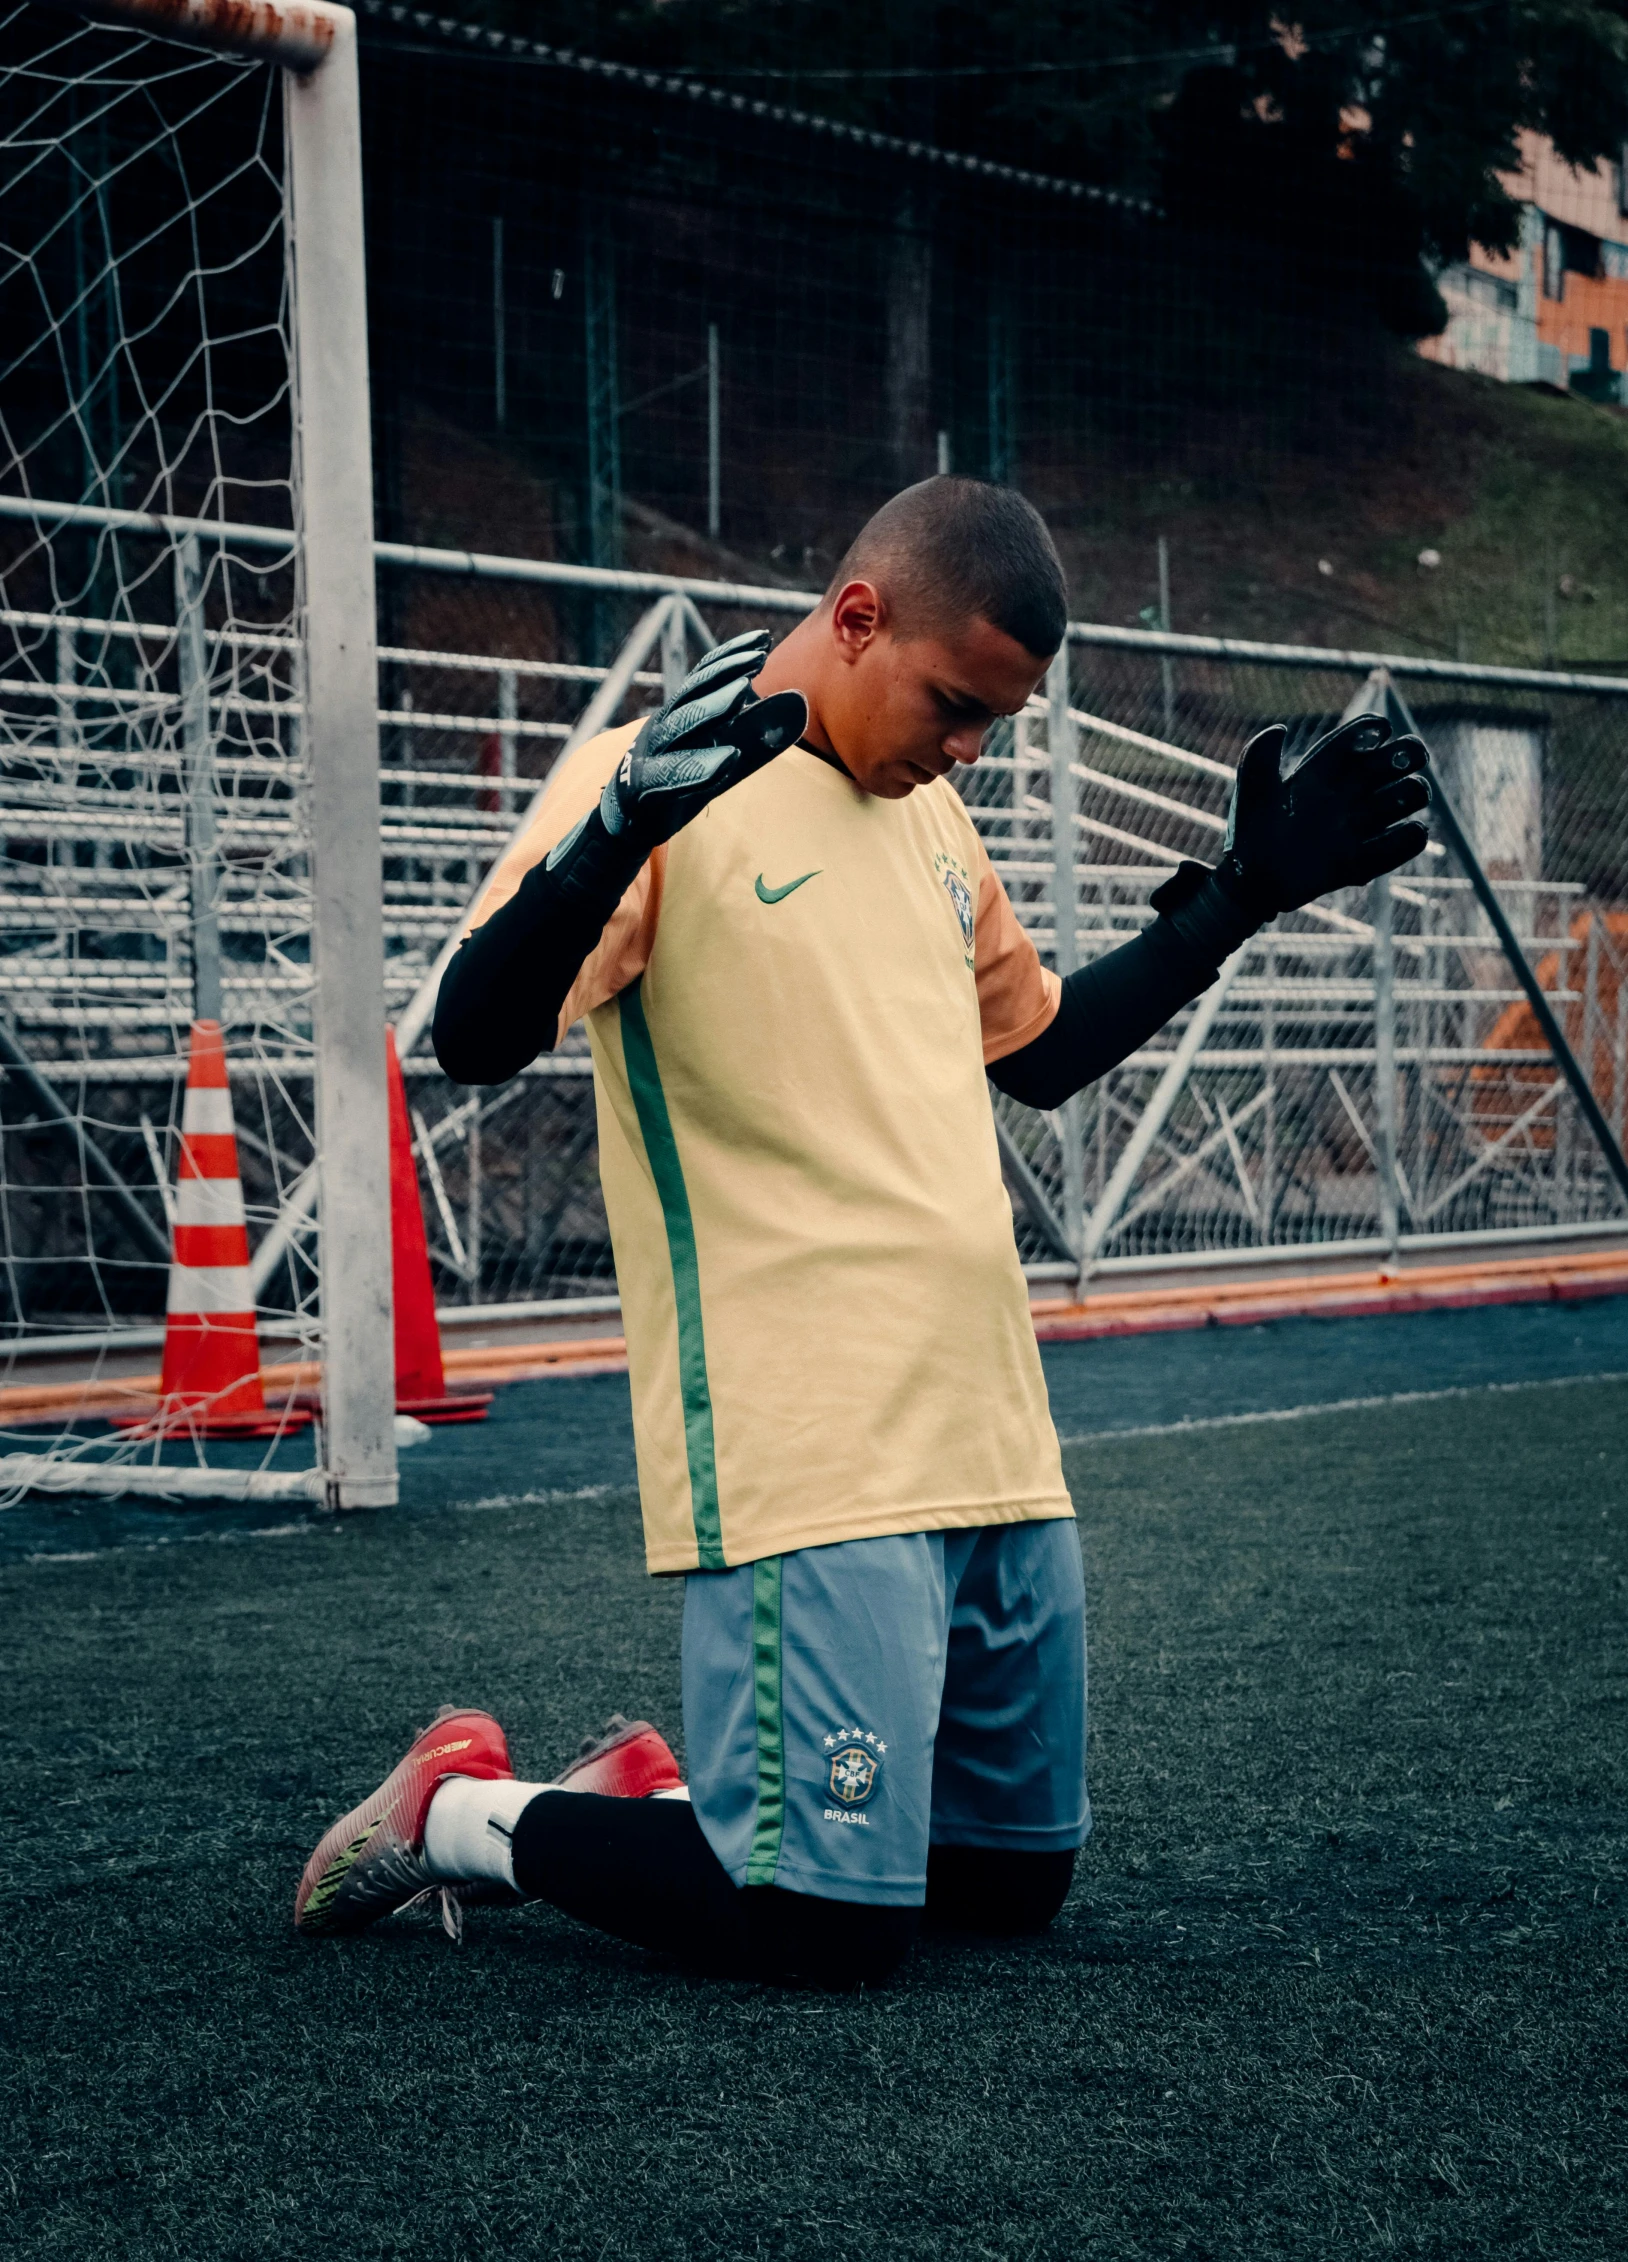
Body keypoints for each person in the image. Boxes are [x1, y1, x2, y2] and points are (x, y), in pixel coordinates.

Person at [293, 476, 1429, 1985]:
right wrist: (617, 830)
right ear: (854, 616)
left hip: (991, 1435)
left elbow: (1034, 1051)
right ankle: (462, 1809)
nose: (967, 747)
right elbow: (473, 1033)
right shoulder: (652, 784)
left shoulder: (932, 818)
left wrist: (1240, 896)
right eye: (956, 704)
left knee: (1006, 1884)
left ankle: (669, 1803)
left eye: (996, 726)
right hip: (813, 1450)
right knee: (821, 1928)